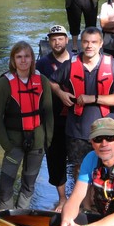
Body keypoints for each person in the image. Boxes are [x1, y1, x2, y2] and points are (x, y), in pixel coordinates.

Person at [50, 27, 114, 187]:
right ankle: (83, 200)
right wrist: (61, 94)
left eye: (93, 42)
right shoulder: (70, 65)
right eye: (85, 42)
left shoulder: (112, 65)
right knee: (80, 170)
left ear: (101, 44)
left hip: (105, 130)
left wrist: (92, 98)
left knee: (106, 168)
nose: (89, 45)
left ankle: (101, 198)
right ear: (81, 43)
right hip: (77, 130)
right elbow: (52, 82)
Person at [0, 42, 55, 209]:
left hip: (37, 142)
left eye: (27, 56)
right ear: (13, 60)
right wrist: (7, 145)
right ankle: (4, 217)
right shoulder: (4, 84)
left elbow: (49, 114)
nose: (23, 60)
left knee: (29, 185)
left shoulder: (42, 81)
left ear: (32, 59)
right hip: (13, 142)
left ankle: (22, 215)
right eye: (19, 57)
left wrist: (47, 141)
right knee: (6, 186)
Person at [35, 25, 72, 210]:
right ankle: (62, 198)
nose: (57, 42)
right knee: (55, 158)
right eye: (53, 39)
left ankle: (81, 198)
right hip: (51, 118)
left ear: (67, 40)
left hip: (75, 118)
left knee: (79, 158)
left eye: (60, 38)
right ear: (49, 42)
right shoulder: (42, 64)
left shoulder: (77, 60)